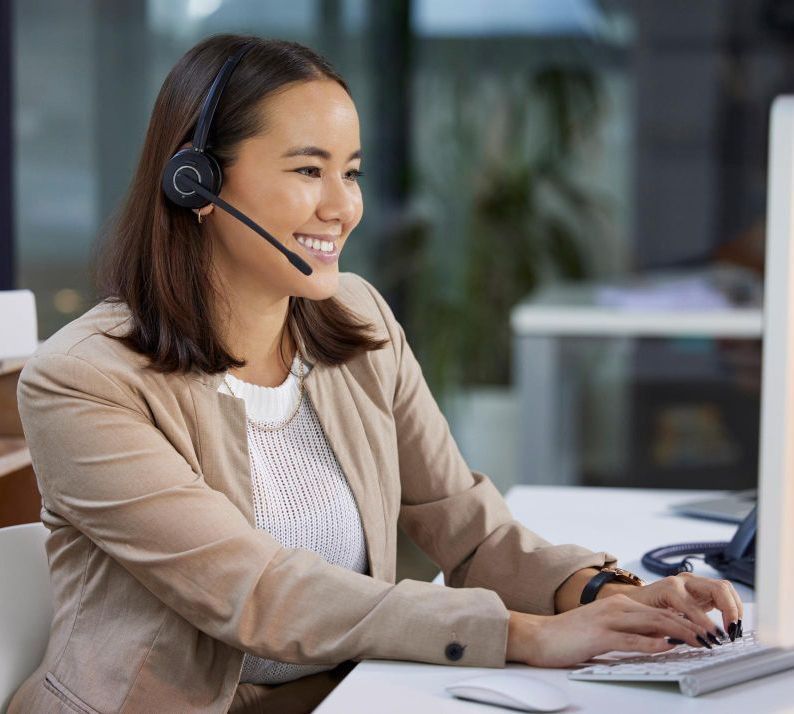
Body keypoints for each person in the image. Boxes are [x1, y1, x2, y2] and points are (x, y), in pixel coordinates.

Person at [8, 34, 744, 714]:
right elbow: (257, 592)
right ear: (195, 183)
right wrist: (528, 634)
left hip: (340, 696)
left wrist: (605, 594)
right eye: (308, 170)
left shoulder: (355, 320)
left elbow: (465, 526)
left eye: (351, 172)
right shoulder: (83, 381)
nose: (343, 207)